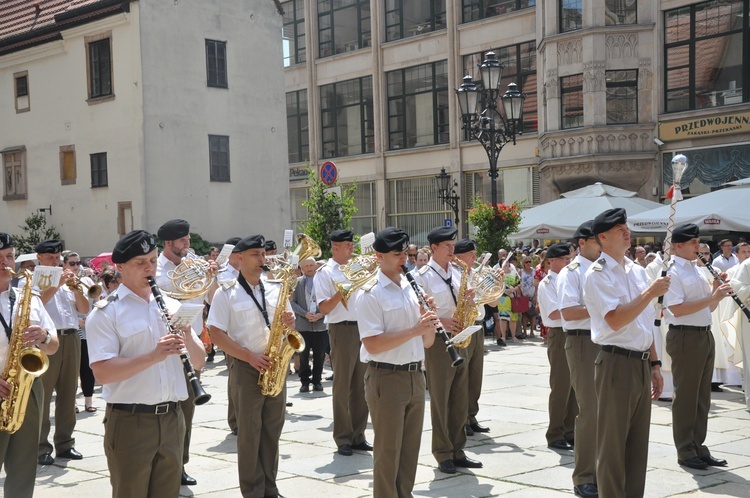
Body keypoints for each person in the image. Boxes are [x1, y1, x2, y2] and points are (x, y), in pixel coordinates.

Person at [86, 230, 206, 498]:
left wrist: (186, 334)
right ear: (120, 268)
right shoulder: (107, 312)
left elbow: (199, 361)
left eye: (152, 260)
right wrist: (154, 355)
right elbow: (103, 372)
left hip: (174, 418)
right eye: (140, 263)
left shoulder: (173, 305)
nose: (149, 268)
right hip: (131, 421)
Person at [583, 208, 667, 498]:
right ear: (603, 237)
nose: (627, 232)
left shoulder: (636, 270)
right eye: (620, 229)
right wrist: (650, 292)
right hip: (615, 362)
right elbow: (616, 319)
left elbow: (644, 322)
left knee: (637, 446)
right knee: (612, 446)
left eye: (626, 227)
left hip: (641, 362)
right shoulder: (597, 275)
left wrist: (655, 363)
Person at [207, 234, 295, 498]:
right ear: (239, 258)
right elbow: (216, 333)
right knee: (249, 433)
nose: (262, 259)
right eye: (256, 254)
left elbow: (287, 325)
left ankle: (270, 486)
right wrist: (248, 357)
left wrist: (290, 323)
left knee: (272, 430)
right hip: (247, 367)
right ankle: (253, 491)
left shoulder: (276, 289)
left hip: (274, 363)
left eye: (263, 254)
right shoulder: (226, 293)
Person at [355, 227, 437, 498]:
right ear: (378, 256)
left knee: (410, 450)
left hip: (415, 376)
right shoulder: (370, 293)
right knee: (388, 452)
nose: (404, 258)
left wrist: (429, 321)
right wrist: (415, 329)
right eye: (396, 254)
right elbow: (373, 344)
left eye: (406, 253)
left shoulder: (411, 287)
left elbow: (427, 343)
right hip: (386, 378)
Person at [663, 224, 733, 470]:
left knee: (702, 396)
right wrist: (713, 297)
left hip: (703, 334)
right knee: (686, 397)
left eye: (698, 243)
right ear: (678, 246)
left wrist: (716, 290)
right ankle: (685, 450)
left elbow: (708, 308)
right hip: (684, 337)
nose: (699, 248)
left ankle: (698, 447)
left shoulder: (698, 269)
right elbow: (678, 309)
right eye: (694, 243)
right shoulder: (672, 272)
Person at [415, 226, 481, 474]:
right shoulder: (423, 276)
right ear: (433, 248)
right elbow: (418, 311)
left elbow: (463, 302)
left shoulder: (457, 272)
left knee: (459, 398)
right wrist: (441, 321)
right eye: (447, 246)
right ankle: (443, 453)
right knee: (441, 399)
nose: (452, 250)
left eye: (453, 246)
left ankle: (458, 449)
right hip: (439, 342)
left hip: (461, 338)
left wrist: (470, 300)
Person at [155, 219, 215, 486]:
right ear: (169, 243)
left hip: (193, 342)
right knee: (167, 409)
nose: (188, 245)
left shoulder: (192, 264)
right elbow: (164, 299)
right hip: (167, 344)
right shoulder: (157, 269)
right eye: (183, 241)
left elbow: (210, 299)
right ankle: (163, 463)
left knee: (188, 409)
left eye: (188, 240)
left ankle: (180, 464)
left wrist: (210, 275)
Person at [0, 233, 58, 498]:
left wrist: (44, 337)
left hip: (27, 388)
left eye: (9, 256)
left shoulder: (29, 296)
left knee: (24, 467)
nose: (6, 263)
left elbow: (54, 344)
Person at [314, 229, 371, 456]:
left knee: (362, 383)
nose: (352, 249)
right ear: (335, 247)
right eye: (348, 245)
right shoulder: (325, 272)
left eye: (352, 245)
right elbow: (324, 308)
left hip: (364, 327)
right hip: (342, 329)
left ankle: (358, 435)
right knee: (343, 386)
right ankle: (343, 437)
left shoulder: (359, 266)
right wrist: (343, 290)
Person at [35, 240, 89, 466]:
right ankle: (40, 447)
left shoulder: (69, 280)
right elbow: (38, 301)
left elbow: (85, 310)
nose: (55, 262)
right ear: (39, 258)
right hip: (48, 339)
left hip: (72, 337)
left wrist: (76, 289)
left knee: (68, 393)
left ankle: (65, 444)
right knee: (44, 396)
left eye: (57, 257)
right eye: (50, 258)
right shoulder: (36, 280)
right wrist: (56, 284)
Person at [558, 221, 601, 498]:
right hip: (583, 342)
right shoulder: (571, 272)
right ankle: (585, 475)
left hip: (606, 341)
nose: (602, 245)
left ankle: (604, 469)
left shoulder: (607, 268)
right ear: (582, 243)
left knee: (609, 412)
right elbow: (569, 312)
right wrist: (603, 307)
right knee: (590, 411)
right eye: (597, 240)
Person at [537, 243, 577, 452]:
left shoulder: (569, 280)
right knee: (561, 385)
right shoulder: (548, 283)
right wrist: (576, 312)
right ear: (551, 261)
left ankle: (570, 430)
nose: (568, 263)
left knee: (575, 387)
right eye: (563, 260)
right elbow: (553, 314)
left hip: (574, 332)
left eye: (569, 259)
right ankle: (555, 433)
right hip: (559, 334)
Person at [453, 239, 490, 436]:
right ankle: (462, 419)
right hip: (464, 326)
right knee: (464, 375)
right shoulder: (456, 275)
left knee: (476, 374)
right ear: (460, 257)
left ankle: (472, 414)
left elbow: (491, 303)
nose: (476, 258)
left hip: (478, 325)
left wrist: (495, 282)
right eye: (472, 254)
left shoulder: (476, 274)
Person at [213, 237, 242, 435]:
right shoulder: (222, 274)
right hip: (230, 332)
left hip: (251, 330)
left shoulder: (253, 274)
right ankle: (235, 420)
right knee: (235, 378)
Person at [290, 256, 326, 393]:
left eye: (312, 265)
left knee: (319, 355)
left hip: (320, 325)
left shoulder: (323, 281)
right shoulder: (297, 282)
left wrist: (320, 314)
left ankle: (317, 381)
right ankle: (304, 382)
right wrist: (305, 313)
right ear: (302, 268)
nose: (310, 268)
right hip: (303, 325)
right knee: (303, 355)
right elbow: (292, 303)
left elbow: (329, 301)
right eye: (306, 266)